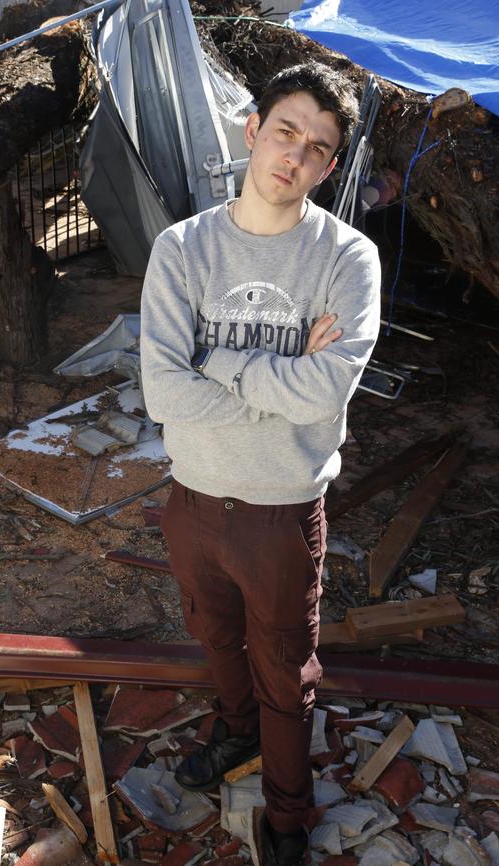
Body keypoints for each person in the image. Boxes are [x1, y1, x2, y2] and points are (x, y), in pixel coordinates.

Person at [139, 61, 381, 866]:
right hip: (194, 499)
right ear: (252, 128)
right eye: (286, 131)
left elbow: (323, 395)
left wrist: (218, 360)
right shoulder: (183, 249)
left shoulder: (348, 261)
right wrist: (272, 379)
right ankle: (234, 734)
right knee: (214, 638)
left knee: (285, 668)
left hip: (281, 510)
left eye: (317, 147)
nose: (295, 155)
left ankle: (285, 815)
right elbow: (164, 390)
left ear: (330, 166)